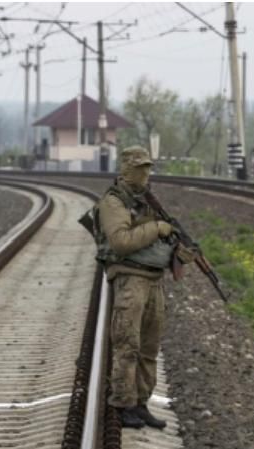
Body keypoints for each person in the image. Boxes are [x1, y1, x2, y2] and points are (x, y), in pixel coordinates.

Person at [97, 145, 196, 429]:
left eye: (148, 167)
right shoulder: (114, 202)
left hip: (154, 280)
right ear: (126, 168)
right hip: (131, 279)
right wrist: (157, 229)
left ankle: (141, 402)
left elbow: (162, 242)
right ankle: (123, 404)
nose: (146, 173)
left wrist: (180, 254)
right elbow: (120, 242)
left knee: (150, 348)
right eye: (140, 167)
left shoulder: (149, 202)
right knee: (128, 345)